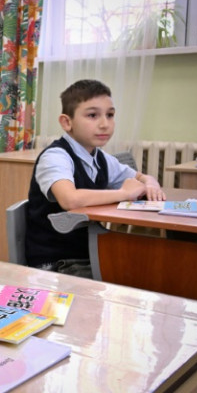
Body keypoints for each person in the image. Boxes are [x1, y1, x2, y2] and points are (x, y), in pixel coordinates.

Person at [25, 79, 165, 278]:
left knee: (148, 269)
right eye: (92, 115)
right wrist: (124, 193)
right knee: (135, 278)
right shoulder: (55, 156)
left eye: (110, 115)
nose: (104, 124)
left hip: (86, 253)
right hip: (55, 262)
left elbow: (140, 177)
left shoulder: (99, 157)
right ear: (67, 122)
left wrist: (150, 183)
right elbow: (69, 199)